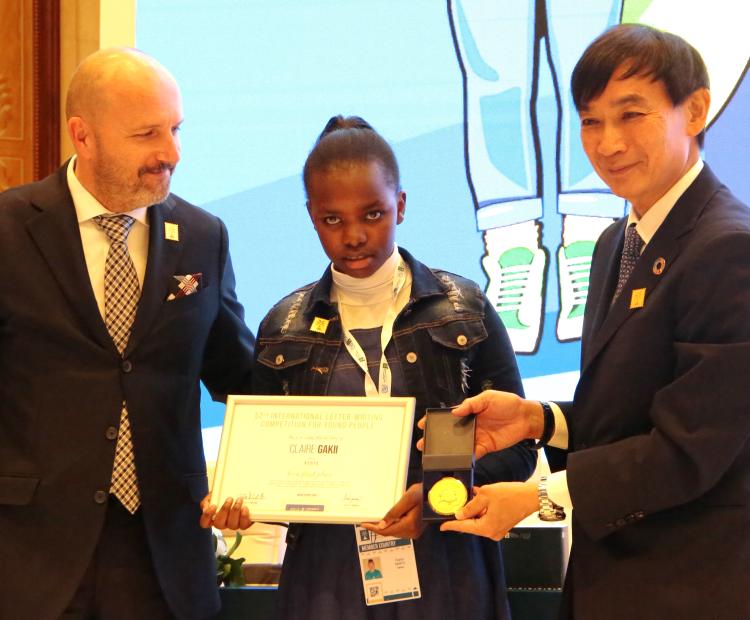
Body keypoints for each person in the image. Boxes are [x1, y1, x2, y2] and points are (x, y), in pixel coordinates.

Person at [437, 24, 750, 619]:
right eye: (589, 121)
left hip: (692, 585)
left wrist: (538, 497)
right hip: (616, 581)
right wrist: (539, 419)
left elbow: (687, 451)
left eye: (632, 115)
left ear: (697, 110)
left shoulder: (728, 249)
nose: (608, 144)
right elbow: (628, 417)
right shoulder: (615, 242)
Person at [202, 115, 536, 619]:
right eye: (332, 220)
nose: (354, 235)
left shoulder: (466, 307)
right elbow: (263, 462)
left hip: (447, 559)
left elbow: (518, 450)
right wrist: (241, 500)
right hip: (326, 575)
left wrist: (437, 497)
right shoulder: (282, 326)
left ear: (400, 205)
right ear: (311, 216)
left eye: (373, 214)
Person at [0, 48, 255, 619]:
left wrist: (261, 478)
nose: (170, 154)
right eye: (146, 134)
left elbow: (240, 377)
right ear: (82, 136)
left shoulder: (202, 236)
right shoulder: (8, 231)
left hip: (165, 560)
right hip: (29, 563)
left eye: (176, 130)